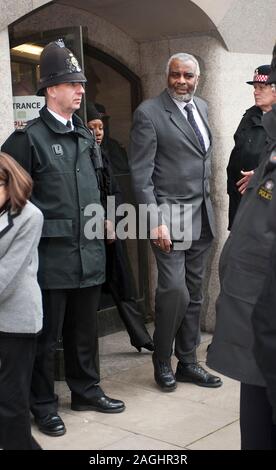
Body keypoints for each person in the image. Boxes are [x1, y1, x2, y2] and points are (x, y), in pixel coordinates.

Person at [2, 39, 125, 438]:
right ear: (50, 89)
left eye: (81, 84)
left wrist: (107, 221)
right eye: (72, 83)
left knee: (84, 332)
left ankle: (86, 389)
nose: (80, 90)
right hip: (48, 260)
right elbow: (10, 199)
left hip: (88, 254)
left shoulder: (87, 137)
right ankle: (41, 404)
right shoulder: (27, 140)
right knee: (43, 339)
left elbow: (99, 185)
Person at [129, 52, 222, 391]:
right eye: (175, 75)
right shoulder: (149, 113)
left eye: (188, 76)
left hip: (203, 217)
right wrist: (155, 221)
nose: (182, 81)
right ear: (167, 76)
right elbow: (141, 176)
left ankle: (188, 363)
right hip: (169, 218)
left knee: (195, 294)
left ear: (198, 78)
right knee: (173, 291)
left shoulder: (204, 107)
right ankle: (162, 360)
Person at [207, 54, 276, 449]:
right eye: (256, 86)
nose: (259, 91)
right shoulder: (254, 122)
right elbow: (240, 159)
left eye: (265, 84)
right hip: (246, 214)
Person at [86, 102, 154, 352]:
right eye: (92, 126)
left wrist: (112, 222)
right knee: (88, 296)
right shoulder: (82, 155)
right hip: (89, 232)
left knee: (124, 284)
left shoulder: (108, 151)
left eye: (101, 126)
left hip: (110, 230)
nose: (98, 131)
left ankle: (141, 337)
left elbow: (115, 189)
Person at [0, 152, 43, 450]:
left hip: (16, 321)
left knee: (11, 403)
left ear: (8, 182)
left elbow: (7, 275)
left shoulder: (30, 216)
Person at [227, 64, 276, 229]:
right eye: (255, 87)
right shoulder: (250, 116)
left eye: (262, 87)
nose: (256, 91)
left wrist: (259, 174)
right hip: (242, 206)